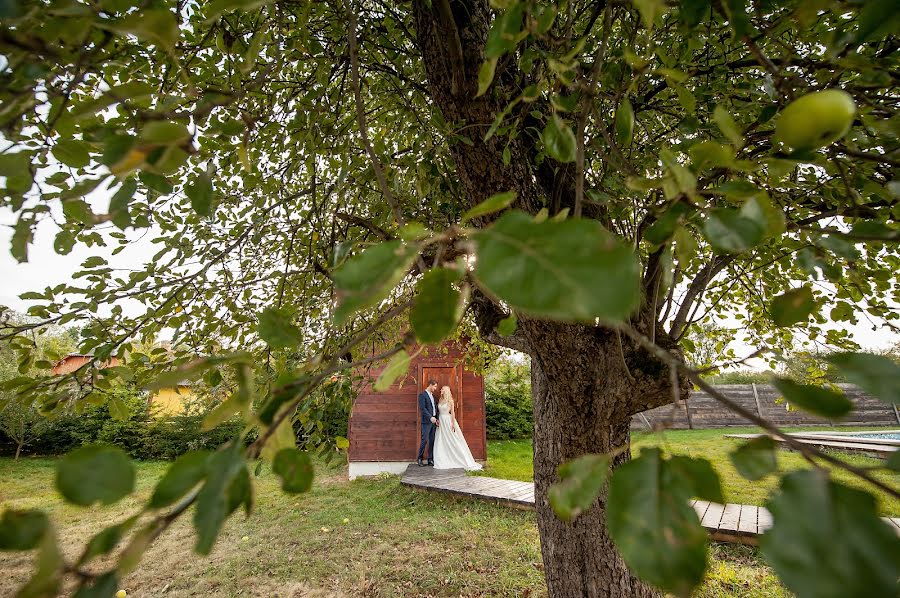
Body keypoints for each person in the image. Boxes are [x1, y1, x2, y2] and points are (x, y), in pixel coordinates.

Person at [432, 385, 482, 471]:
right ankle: (443, 458)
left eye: (442, 389)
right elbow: (438, 411)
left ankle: (461, 458)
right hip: (441, 421)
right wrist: (437, 419)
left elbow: (453, 413)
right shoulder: (440, 399)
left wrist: (453, 424)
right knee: (441, 439)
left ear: (446, 391)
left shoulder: (450, 401)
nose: (441, 390)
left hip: (447, 420)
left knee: (452, 439)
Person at [416, 379, 438, 466]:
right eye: (435, 386)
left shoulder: (433, 396)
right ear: (430, 385)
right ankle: (419, 459)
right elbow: (423, 408)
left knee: (432, 440)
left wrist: (436, 418)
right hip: (426, 422)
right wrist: (430, 417)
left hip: (433, 422)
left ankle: (430, 459)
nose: (435, 388)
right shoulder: (422, 395)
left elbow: (434, 408)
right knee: (424, 440)